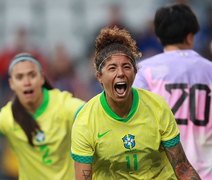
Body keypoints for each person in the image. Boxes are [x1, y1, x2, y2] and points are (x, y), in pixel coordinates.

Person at [71, 26, 200, 179]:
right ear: (99, 76)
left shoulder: (157, 106)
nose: (120, 73)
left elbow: (182, 169)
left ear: (135, 72)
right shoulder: (85, 120)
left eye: (126, 67)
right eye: (112, 68)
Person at [133, 3, 212, 180]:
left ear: (159, 37)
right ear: (190, 37)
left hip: (165, 173)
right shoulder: (210, 71)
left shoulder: (144, 71)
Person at [0, 53, 85, 179]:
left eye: (32, 75)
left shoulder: (62, 104)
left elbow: (90, 113)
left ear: (42, 78)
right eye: (19, 77)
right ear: (12, 83)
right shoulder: (7, 117)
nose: (27, 82)